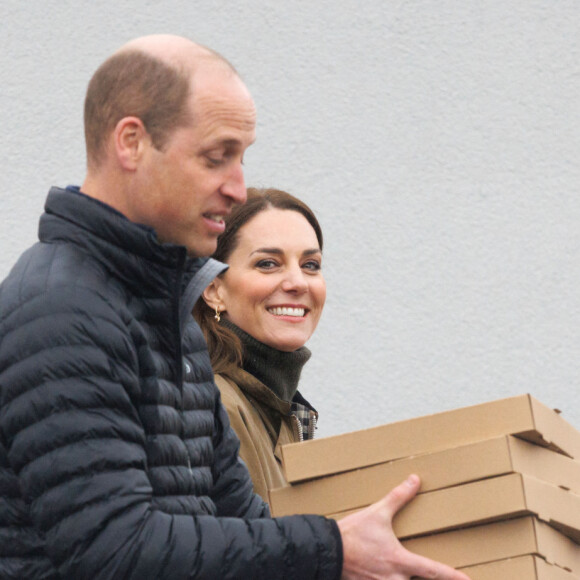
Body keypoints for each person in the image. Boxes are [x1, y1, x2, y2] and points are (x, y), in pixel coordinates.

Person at [0, 34, 470, 580]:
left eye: (242, 158)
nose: (238, 187)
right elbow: (117, 548)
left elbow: (243, 520)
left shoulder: (168, 322)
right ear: (131, 142)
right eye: (216, 157)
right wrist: (331, 548)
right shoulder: (62, 310)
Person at [194, 187, 326, 503]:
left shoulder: (278, 408)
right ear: (214, 289)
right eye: (268, 263)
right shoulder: (217, 406)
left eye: (310, 264)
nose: (297, 283)